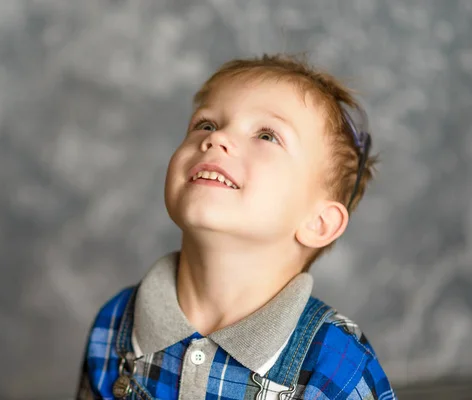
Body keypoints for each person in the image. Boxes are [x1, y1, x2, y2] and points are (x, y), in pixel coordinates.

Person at [76, 54, 396, 399]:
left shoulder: (339, 368)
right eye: (206, 125)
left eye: (267, 135)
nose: (217, 139)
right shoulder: (116, 324)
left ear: (318, 223)